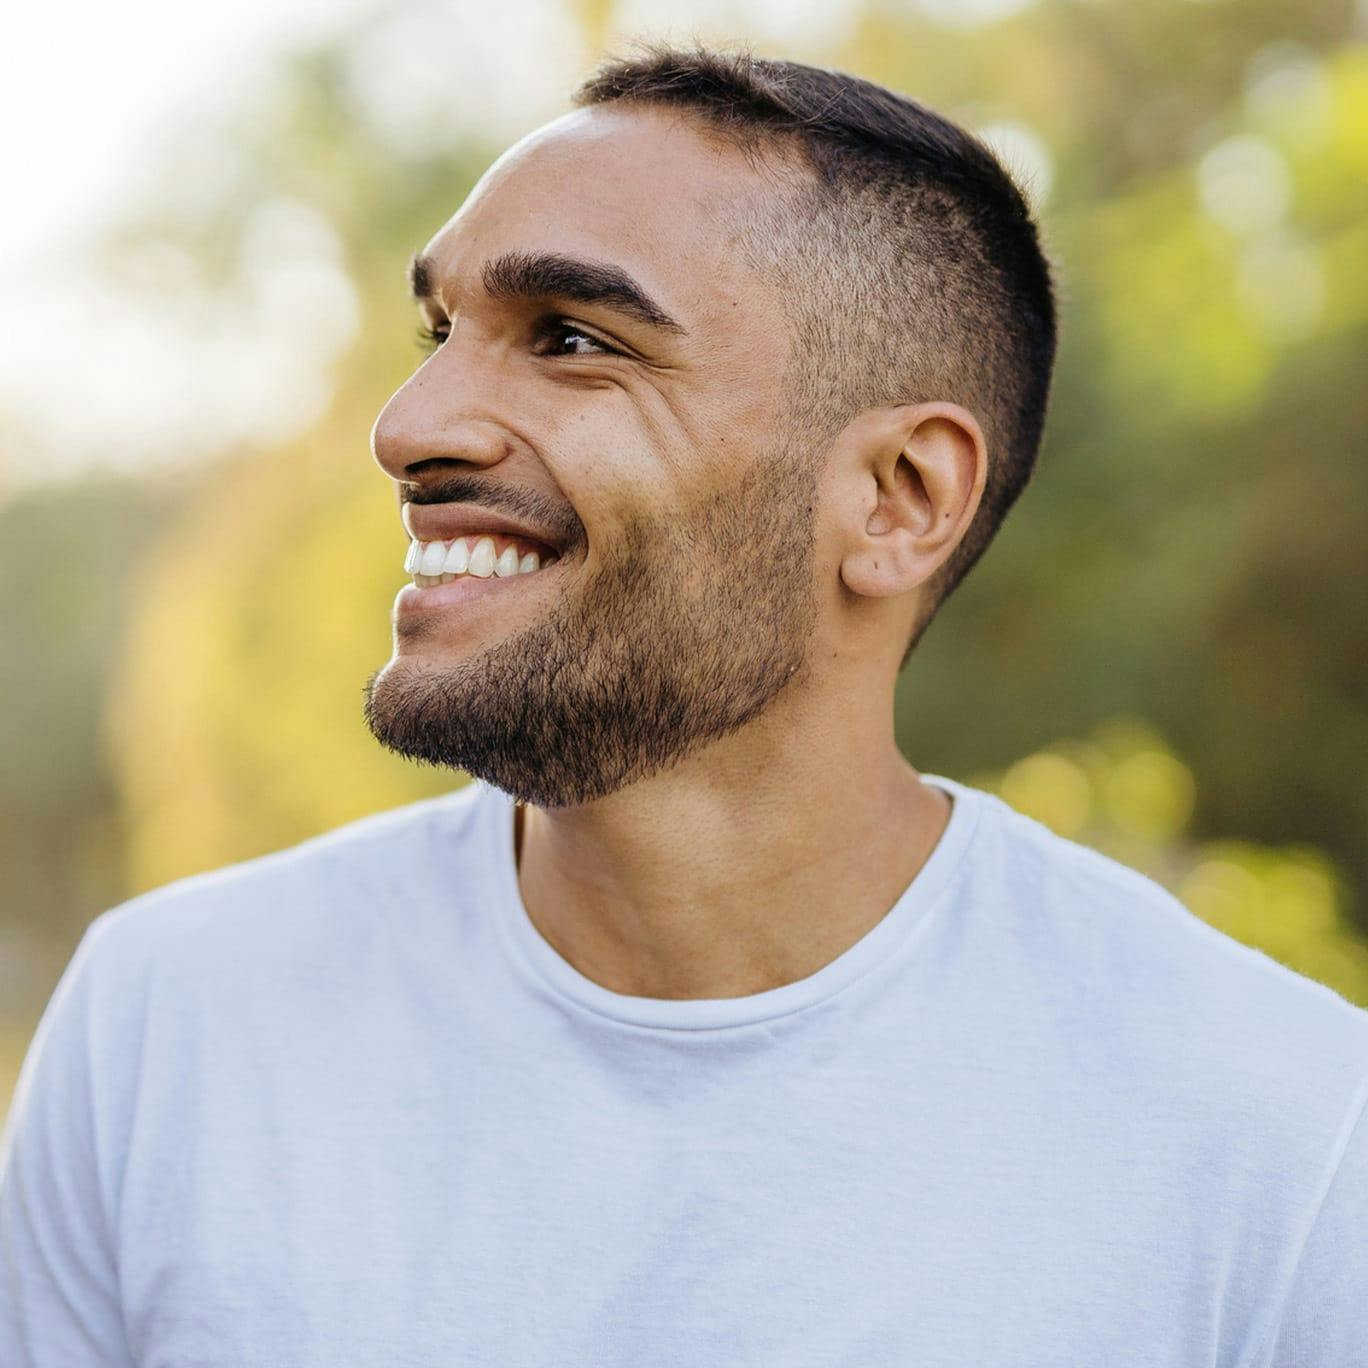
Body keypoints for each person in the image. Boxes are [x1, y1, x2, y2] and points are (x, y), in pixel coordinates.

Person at [2, 42, 1365, 1366]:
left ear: (899, 499)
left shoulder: (1287, 1146)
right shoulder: (170, 1024)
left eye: (574, 338)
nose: (408, 425)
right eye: (442, 330)